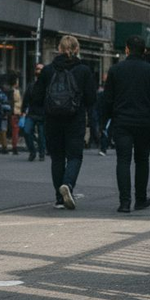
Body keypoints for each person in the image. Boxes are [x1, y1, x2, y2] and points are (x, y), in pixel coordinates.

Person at [28, 36, 97, 209]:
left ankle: (59, 199)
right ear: (77, 49)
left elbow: (35, 97)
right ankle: (68, 184)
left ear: (59, 49)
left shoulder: (48, 70)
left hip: (52, 120)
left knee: (57, 158)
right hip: (75, 119)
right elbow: (91, 98)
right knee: (74, 156)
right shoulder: (83, 70)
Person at [101, 36, 150, 213]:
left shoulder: (115, 70)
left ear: (127, 49)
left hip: (122, 121)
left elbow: (107, 100)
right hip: (145, 122)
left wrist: (103, 123)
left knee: (123, 160)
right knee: (142, 160)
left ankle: (124, 202)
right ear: (144, 51)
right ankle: (141, 199)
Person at [22, 63, 46, 162]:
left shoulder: (47, 85)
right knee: (26, 131)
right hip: (31, 113)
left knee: (42, 135)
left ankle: (41, 153)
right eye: (37, 69)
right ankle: (32, 151)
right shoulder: (31, 85)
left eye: (41, 69)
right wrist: (23, 111)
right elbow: (26, 98)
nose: (38, 71)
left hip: (43, 114)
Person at [9, 78, 22, 155]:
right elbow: (18, 101)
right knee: (15, 130)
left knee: (14, 130)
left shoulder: (9, 91)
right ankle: (15, 146)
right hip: (16, 112)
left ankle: (14, 146)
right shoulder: (16, 91)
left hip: (12, 112)